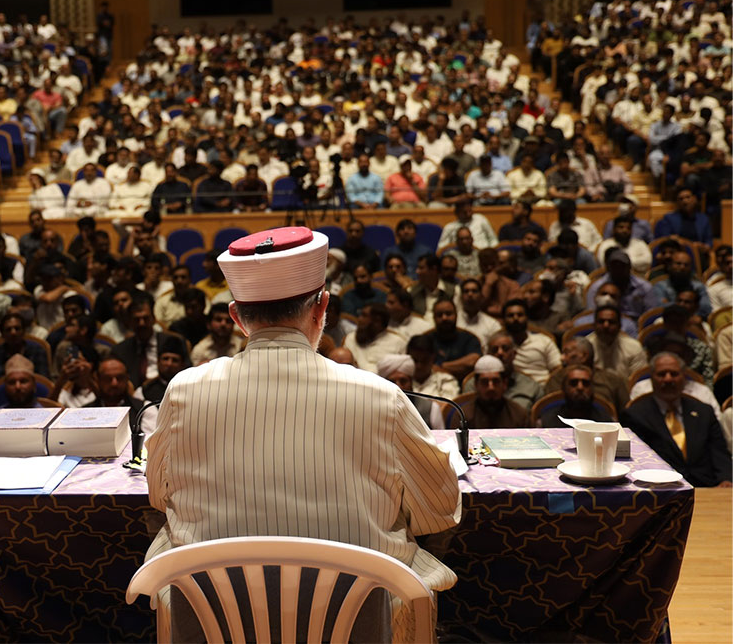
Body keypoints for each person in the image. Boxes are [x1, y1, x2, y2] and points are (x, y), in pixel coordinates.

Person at [146, 226, 460, 642]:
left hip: (215, 624)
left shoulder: (183, 391)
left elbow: (158, 496)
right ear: (321, 308)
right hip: (358, 627)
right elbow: (439, 510)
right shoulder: (381, 396)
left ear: (237, 318)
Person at [620, 353, 732, 488]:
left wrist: (726, 480)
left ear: (684, 377)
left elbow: (719, 453)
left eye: (674, 374)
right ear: (652, 379)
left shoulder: (704, 412)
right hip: (660, 489)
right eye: (661, 374)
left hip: (708, 487)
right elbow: (635, 460)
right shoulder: (635, 415)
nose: (668, 379)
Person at [546, 337, 629, 415]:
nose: (562, 358)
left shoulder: (612, 380)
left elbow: (625, 412)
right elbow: (547, 409)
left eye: (567, 353)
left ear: (584, 356)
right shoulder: (555, 379)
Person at [451, 354, 531, 429]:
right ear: (476, 384)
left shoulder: (519, 414)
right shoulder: (463, 416)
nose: (491, 388)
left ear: (504, 383)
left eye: (496, 381)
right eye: (484, 382)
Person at [0, 311, 49, 388]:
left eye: (17, 329)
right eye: (8, 329)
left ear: (24, 331)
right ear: (2, 334)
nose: (13, 332)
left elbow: (44, 383)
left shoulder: (37, 351)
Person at [376, 354, 444, 429]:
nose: (398, 386)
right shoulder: (375, 409)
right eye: (392, 382)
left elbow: (442, 438)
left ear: (411, 382)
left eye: (403, 381)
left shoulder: (431, 408)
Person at [502, 298, 560, 383]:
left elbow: (557, 368)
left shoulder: (544, 341)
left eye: (520, 315)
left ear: (527, 318)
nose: (515, 318)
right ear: (503, 320)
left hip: (543, 386)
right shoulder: (499, 346)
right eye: (511, 315)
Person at [539, 364, 616, 427]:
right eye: (573, 383)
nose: (580, 387)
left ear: (592, 388)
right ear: (564, 388)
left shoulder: (605, 421)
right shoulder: (548, 420)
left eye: (585, 383)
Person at [586, 304, 648, 378]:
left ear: (619, 326)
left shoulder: (634, 347)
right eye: (601, 321)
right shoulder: (585, 347)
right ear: (594, 325)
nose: (606, 325)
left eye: (611, 322)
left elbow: (638, 381)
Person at [456, 278, 503, 352]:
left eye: (474, 291)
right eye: (466, 291)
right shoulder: (452, 321)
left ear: (481, 296)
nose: (470, 294)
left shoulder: (492, 324)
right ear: (461, 297)